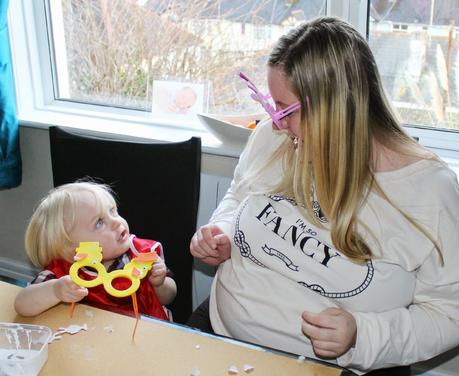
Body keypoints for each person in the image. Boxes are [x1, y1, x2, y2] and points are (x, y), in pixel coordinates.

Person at [189, 17, 459, 375]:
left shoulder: (430, 191)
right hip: (218, 335)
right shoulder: (277, 135)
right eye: (272, 105)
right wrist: (222, 231)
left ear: (336, 107)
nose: (275, 122)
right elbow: (240, 194)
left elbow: (447, 314)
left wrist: (361, 335)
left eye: (285, 109)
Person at [14, 181, 177, 320]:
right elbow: (22, 305)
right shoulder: (64, 272)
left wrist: (159, 283)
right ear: (71, 249)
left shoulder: (142, 253)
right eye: (99, 222)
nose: (116, 222)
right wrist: (55, 290)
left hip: (147, 336)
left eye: (113, 211)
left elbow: (168, 298)